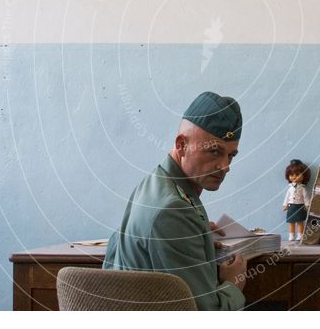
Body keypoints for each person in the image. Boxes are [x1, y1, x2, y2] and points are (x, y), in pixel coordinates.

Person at [103, 91, 248, 310]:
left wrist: (196, 232)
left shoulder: (154, 184)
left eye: (231, 155)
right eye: (214, 151)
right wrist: (233, 284)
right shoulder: (173, 208)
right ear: (181, 145)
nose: (225, 166)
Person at [282, 159, 310, 242]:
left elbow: (306, 197)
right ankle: (291, 235)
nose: (294, 177)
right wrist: (285, 205)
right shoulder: (290, 188)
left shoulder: (302, 188)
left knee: (300, 222)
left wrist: (307, 205)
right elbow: (287, 197)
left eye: (297, 174)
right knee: (291, 222)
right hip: (291, 206)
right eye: (291, 175)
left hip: (300, 206)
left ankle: (300, 235)